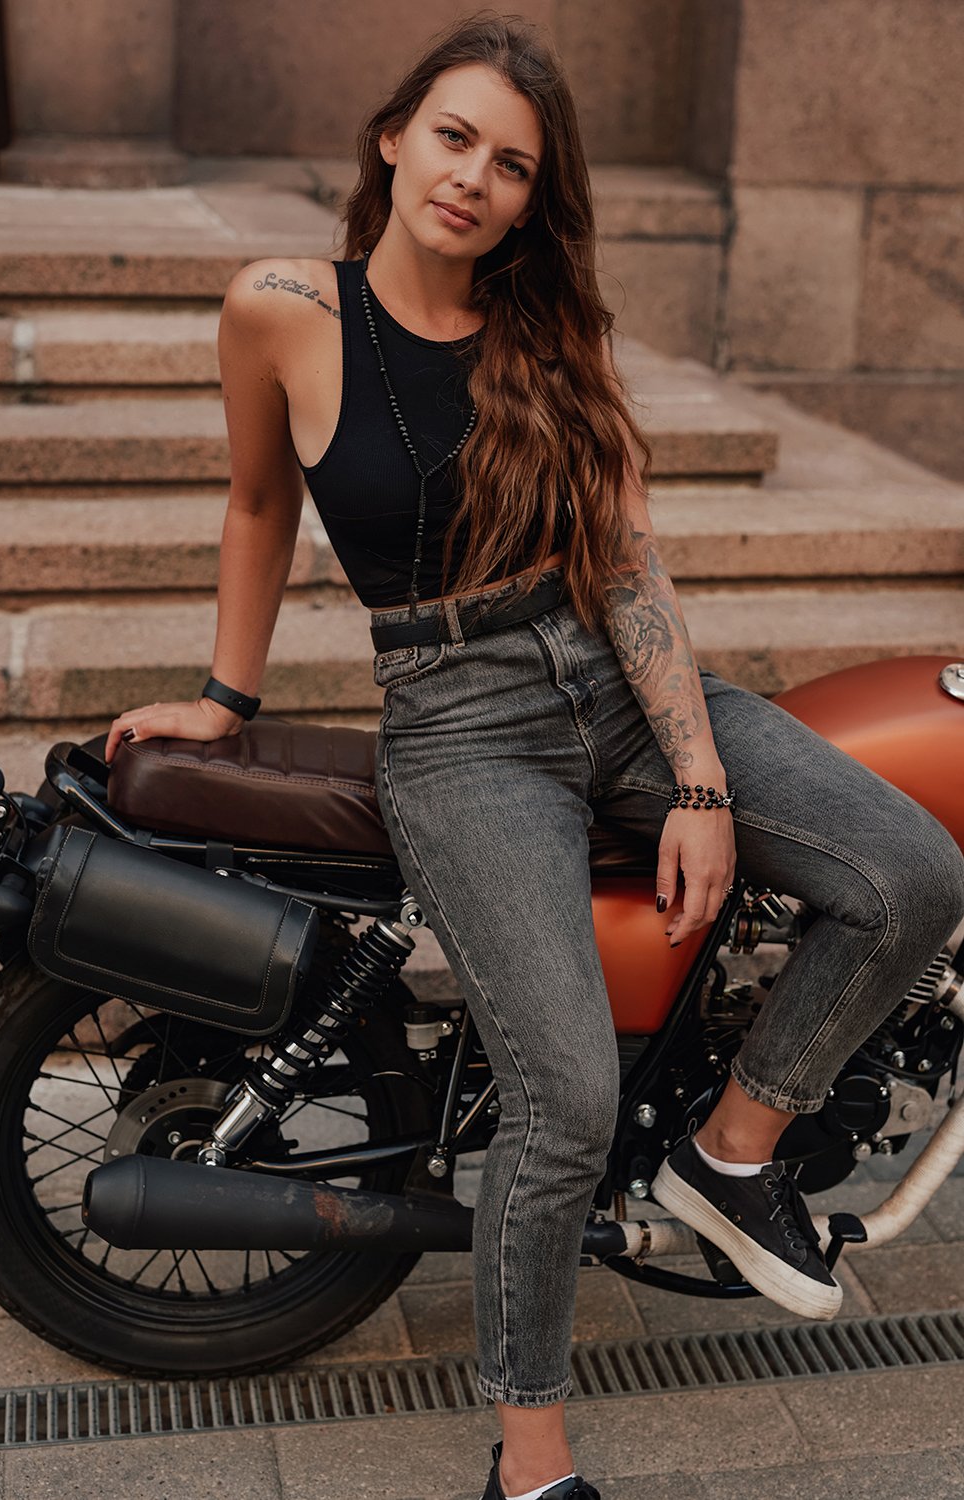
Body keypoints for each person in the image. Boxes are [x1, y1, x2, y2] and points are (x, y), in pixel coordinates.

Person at [103, 14, 964, 1499]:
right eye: (455, 139)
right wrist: (222, 700)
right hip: (457, 727)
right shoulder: (279, 310)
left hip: (620, 683)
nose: (476, 179)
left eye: (511, 165)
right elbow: (258, 505)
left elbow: (627, 560)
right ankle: (531, 1457)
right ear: (392, 138)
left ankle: (730, 1149)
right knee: (560, 1097)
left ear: (528, 198)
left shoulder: (550, 327)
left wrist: (697, 778)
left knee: (913, 874)